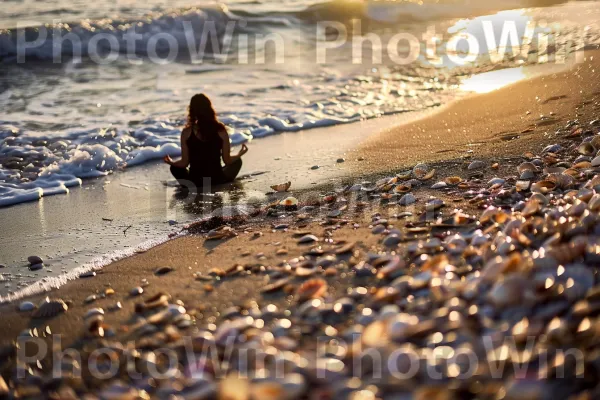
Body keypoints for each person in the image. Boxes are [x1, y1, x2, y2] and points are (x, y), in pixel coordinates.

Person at [164, 94, 248, 189]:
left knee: (175, 168)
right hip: (217, 179)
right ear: (209, 108)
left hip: (195, 182)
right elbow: (227, 160)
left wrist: (171, 162)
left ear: (192, 110)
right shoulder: (220, 129)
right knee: (237, 161)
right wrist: (239, 154)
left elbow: (184, 163)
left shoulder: (186, 132)